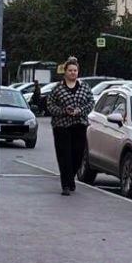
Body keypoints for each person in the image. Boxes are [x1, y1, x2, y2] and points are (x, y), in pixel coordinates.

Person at [46, 58, 93, 196]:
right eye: (70, 70)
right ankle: (65, 184)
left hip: (79, 124)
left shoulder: (84, 87)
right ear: (65, 72)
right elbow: (50, 104)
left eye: (75, 70)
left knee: (78, 154)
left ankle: (70, 177)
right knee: (64, 155)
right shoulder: (58, 88)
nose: (73, 73)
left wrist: (80, 110)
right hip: (62, 126)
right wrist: (63, 111)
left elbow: (91, 102)